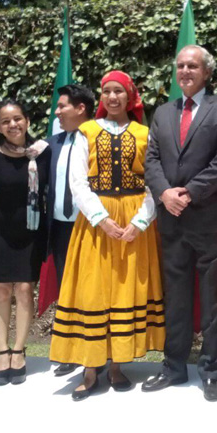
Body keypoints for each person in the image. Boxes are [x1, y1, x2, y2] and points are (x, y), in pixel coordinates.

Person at [49, 71, 165, 401]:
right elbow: (78, 183)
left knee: (124, 290)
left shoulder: (145, 133)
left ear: (131, 97)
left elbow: (153, 181)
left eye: (118, 91)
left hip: (132, 222)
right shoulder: (86, 131)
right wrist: (102, 219)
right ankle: (89, 369)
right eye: (106, 91)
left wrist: (139, 222)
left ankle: (116, 365)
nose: (112, 97)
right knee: (93, 291)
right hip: (96, 223)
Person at [143, 44, 217, 401]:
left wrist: (189, 193)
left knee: (212, 300)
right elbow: (151, 160)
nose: (185, 71)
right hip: (171, 222)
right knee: (177, 299)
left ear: (207, 72)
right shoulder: (163, 113)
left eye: (193, 66)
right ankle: (173, 367)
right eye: (181, 66)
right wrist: (166, 194)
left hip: (207, 220)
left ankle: (212, 371)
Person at [0, 100, 50, 385]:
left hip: (32, 231)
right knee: (0, 291)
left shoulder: (42, 154)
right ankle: (2, 352)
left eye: (17, 119)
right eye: (6, 121)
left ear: (27, 121)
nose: (12, 125)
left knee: (24, 289)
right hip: (0, 231)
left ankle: (19, 351)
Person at [45, 84, 96, 378]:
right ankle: (71, 351)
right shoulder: (52, 143)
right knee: (67, 290)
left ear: (81, 109)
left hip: (91, 228)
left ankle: (96, 350)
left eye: (62, 106)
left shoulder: (98, 139)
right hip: (62, 229)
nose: (57, 112)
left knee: (90, 292)